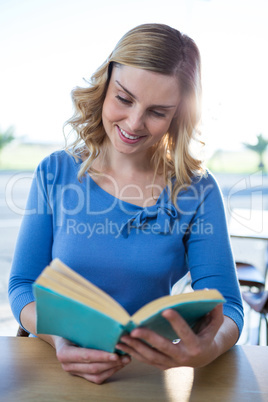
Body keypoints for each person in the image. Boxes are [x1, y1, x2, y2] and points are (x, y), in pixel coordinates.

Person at [8, 23, 243, 384]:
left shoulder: (198, 190)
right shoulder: (56, 171)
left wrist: (207, 349)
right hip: (54, 368)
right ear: (105, 87)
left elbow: (228, 306)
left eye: (158, 111)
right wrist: (58, 338)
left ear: (178, 114)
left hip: (145, 377)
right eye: (124, 98)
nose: (134, 123)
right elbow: (23, 284)